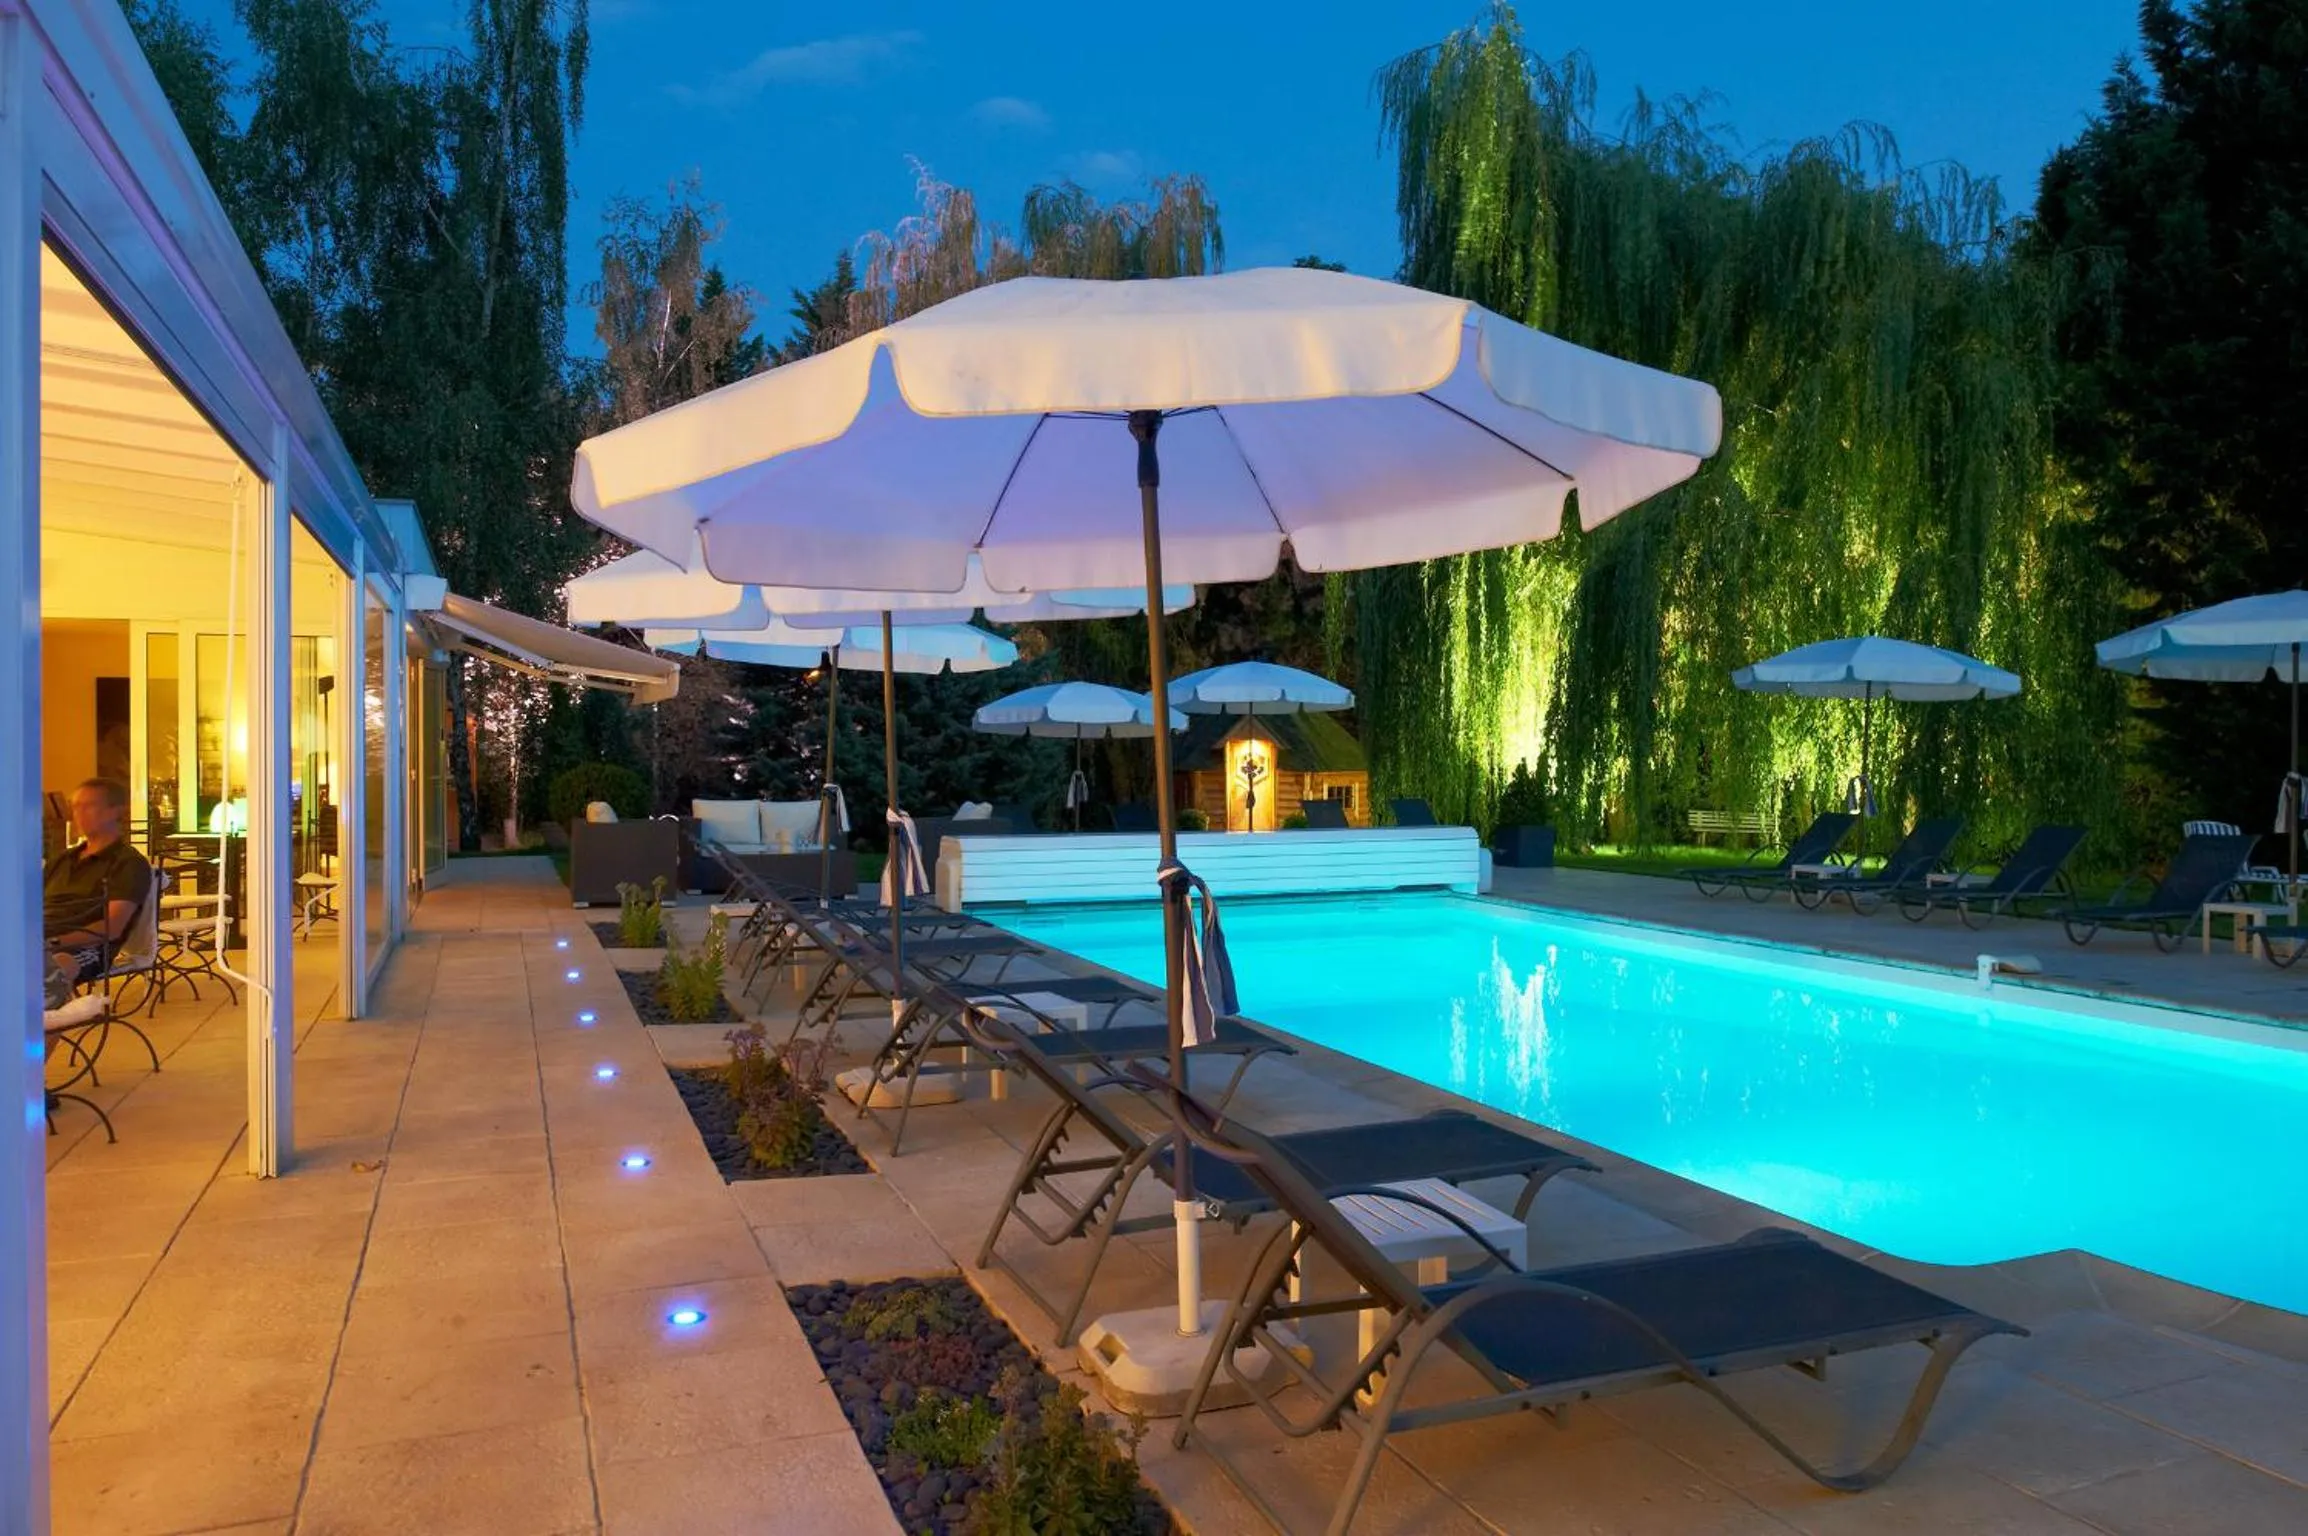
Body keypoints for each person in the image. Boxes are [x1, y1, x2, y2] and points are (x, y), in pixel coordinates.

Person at [43, 777, 151, 1003]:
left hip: (85, 946)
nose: (79, 814)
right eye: (76, 806)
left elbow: (112, 928)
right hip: (37, 939)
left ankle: (43, 1020)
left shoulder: (127, 863)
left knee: (50, 971)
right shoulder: (60, 861)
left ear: (115, 811)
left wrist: (52, 942)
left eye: (89, 806)